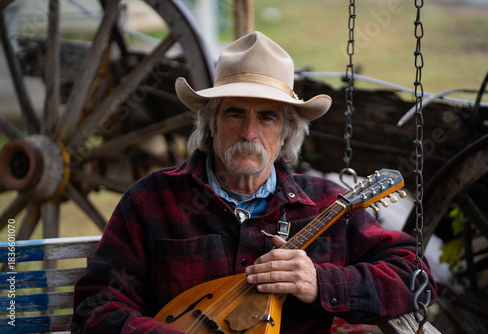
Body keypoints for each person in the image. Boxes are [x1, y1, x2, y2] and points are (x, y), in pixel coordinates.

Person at [72, 31, 436, 333]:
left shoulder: (327, 205)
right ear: (211, 125)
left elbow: (416, 278)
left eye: (266, 117)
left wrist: (321, 283)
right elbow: (97, 304)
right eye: (234, 113)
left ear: (285, 134)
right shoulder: (153, 201)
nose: (249, 132)